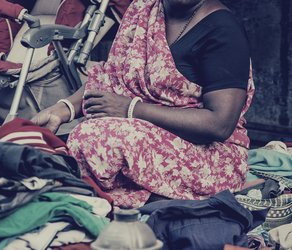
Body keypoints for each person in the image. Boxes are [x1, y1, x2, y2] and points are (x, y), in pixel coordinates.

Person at [32, 0, 255, 208]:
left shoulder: (223, 30)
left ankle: (138, 195)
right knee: (40, 144)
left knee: (95, 138)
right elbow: (113, 77)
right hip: (145, 134)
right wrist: (63, 110)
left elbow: (219, 124)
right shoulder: (143, 10)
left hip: (208, 158)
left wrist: (132, 109)